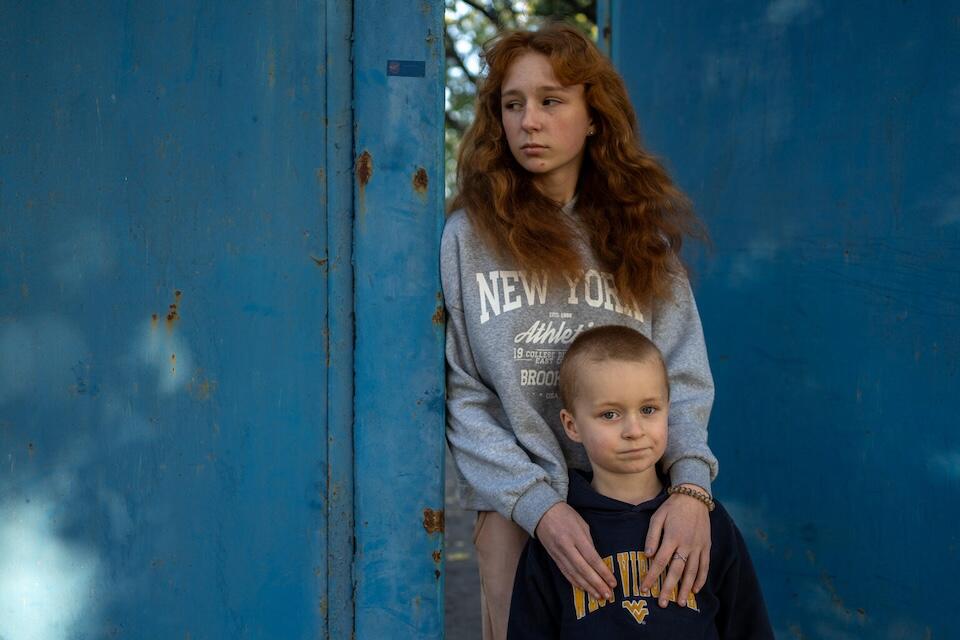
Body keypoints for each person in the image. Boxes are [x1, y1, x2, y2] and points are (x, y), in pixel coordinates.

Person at [441, 23, 717, 640]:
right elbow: (465, 394)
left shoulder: (639, 240)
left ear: (594, 116)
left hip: (639, 503)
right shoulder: (468, 237)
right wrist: (539, 508)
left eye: (551, 101)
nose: (528, 122)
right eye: (513, 105)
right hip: (518, 515)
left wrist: (692, 492)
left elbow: (684, 377)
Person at [506, 326, 773, 638]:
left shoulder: (705, 519)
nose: (634, 430)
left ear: (668, 412)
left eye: (648, 410)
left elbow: (747, 624)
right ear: (572, 425)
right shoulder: (559, 534)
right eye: (610, 415)